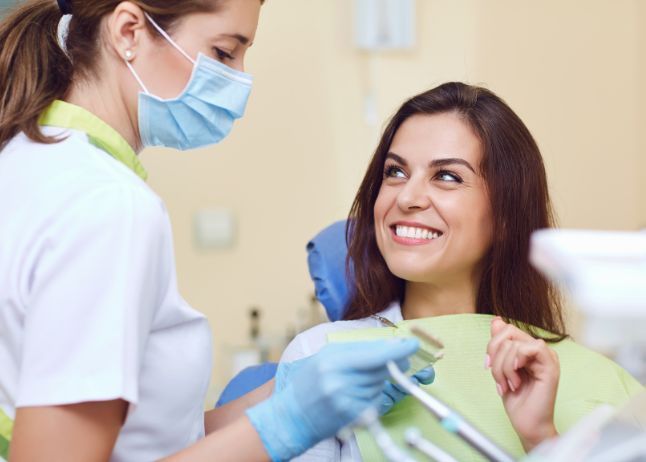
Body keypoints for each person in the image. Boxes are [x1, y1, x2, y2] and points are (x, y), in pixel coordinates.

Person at [0, 1, 430, 461]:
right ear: (128, 31)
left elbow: (147, 442)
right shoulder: (108, 206)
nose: (240, 82)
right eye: (225, 53)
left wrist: (284, 394)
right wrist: (291, 421)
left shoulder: (28, 161)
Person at [281, 82, 644, 460]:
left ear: (505, 216)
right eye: (395, 172)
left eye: (447, 177)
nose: (406, 198)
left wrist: (541, 439)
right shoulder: (321, 357)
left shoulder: (605, 385)